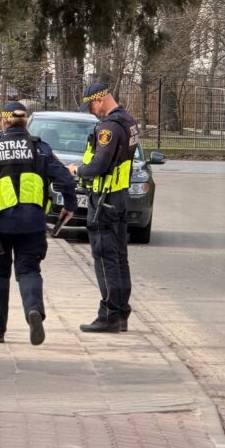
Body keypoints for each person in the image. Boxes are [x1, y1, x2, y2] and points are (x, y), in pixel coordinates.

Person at [0, 101, 77, 345]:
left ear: (3, 121)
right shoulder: (40, 149)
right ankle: (33, 310)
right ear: (25, 123)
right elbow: (65, 178)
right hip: (32, 224)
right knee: (29, 271)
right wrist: (70, 205)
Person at [68, 82, 140, 333]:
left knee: (104, 257)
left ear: (99, 100)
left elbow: (99, 164)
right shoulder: (128, 122)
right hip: (119, 197)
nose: (91, 111)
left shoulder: (109, 127)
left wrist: (78, 171)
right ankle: (120, 313)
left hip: (105, 200)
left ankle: (109, 315)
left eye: (91, 106)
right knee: (119, 258)